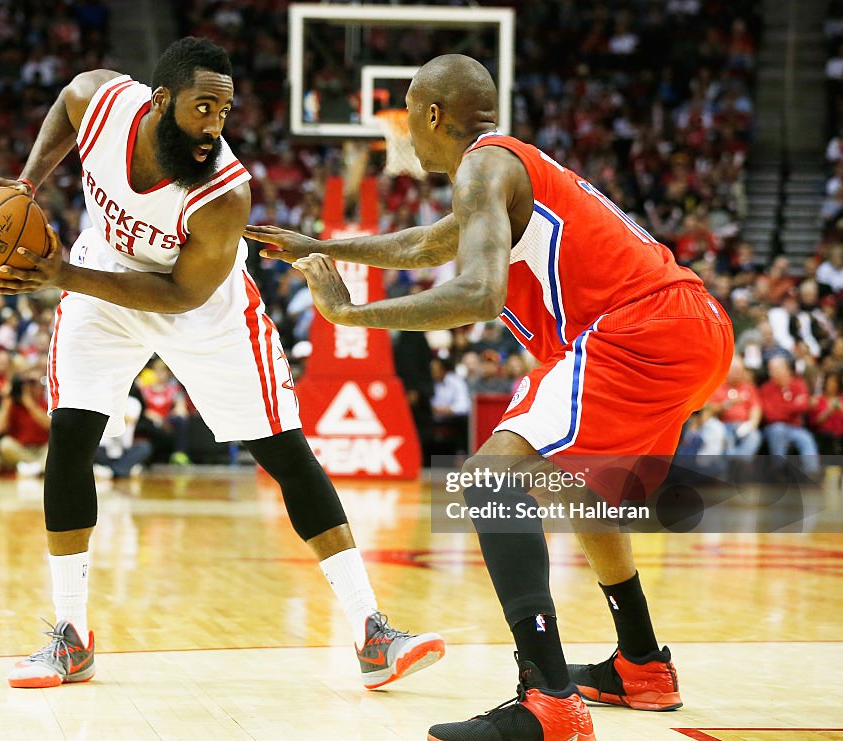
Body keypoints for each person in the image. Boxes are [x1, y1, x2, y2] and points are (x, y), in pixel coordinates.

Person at [247, 54, 734, 741]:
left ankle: (548, 698)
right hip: (695, 327)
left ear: (434, 115)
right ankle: (643, 664)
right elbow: (425, 243)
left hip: (637, 328)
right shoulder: (505, 171)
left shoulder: (485, 165)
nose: (404, 133)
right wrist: (319, 244)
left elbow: (480, 293)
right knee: (579, 490)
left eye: (406, 116)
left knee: (488, 479)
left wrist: (351, 316)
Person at [0, 37, 443, 691]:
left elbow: (181, 293)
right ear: (159, 102)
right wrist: (27, 181)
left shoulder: (223, 192)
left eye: (224, 111)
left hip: (200, 306)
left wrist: (60, 274)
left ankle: (372, 631)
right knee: (69, 438)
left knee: (284, 451)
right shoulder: (98, 102)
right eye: (203, 108)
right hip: (103, 273)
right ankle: (70, 637)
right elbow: (66, 110)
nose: (215, 124)